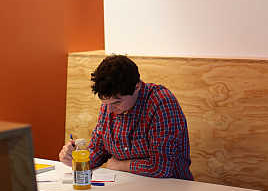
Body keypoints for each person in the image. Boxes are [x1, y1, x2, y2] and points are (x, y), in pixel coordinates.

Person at [59, 54, 193, 180]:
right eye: (105, 103)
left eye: (117, 102)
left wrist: (121, 165)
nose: (109, 109)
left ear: (137, 87)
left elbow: (162, 168)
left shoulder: (161, 103)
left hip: (170, 188)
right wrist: (77, 158)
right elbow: (98, 151)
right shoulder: (110, 104)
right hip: (127, 185)